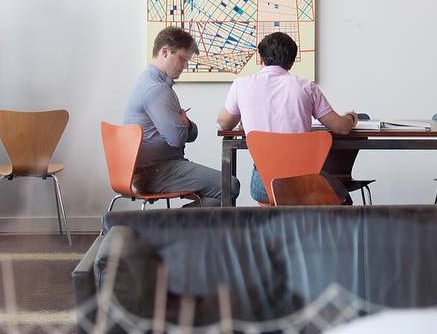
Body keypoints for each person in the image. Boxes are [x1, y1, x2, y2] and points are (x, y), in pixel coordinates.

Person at [217, 32, 359, 204]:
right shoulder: (306, 88)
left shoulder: (241, 85)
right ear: (291, 62)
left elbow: (225, 123)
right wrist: (351, 116)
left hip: (263, 185)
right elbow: (341, 127)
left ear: (261, 58)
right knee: (343, 197)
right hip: (303, 183)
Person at [124, 26, 240, 207]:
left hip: (155, 168)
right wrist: (185, 124)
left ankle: (172, 226)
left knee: (221, 193)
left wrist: (186, 125)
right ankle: (167, 225)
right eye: (182, 58)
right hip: (157, 171)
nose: (185, 65)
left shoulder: (148, 81)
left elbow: (191, 134)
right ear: (164, 52)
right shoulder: (156, 89)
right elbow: (177, 139)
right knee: (230, 186)